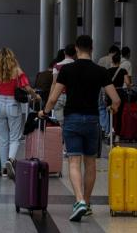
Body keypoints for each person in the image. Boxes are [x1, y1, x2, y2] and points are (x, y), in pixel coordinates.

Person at [38, 35, 120, 222]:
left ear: (76, 49)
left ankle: (79, 200)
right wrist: (113, 108)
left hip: (72, 120)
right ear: (92, 48)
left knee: (74, 161)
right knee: (90, 163)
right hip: (92, 121)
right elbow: (116, 99)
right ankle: (88, 203)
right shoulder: (101, 71)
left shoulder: (66, 70)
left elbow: (53, 98)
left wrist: (44, 112)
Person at [0, 48, 40, 178]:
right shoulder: (17, 70)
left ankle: (4, 169)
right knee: (15, 137)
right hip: (12, 104)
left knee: (2, 138)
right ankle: (10, 160)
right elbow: (27, 87)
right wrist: (35, 96)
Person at [50, 44, 76, 126]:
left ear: (64, 52)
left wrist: (51, 97)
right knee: (72, 121)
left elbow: (54, 83)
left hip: (59, 95)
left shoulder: (57, 66)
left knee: (62, 123)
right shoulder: (77, 65)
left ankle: (63, 135)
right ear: (75, 53)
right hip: (73, 96)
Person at [107, 52, 131, 141]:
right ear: (119, 61)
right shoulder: (123, 71)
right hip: (120, 93)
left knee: (110, 113)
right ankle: (117, 135)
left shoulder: (108, 71)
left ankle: (110, 131)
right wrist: (129, 86)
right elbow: (127, 83)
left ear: (112, 61)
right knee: (119, 115)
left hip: (110, 93)